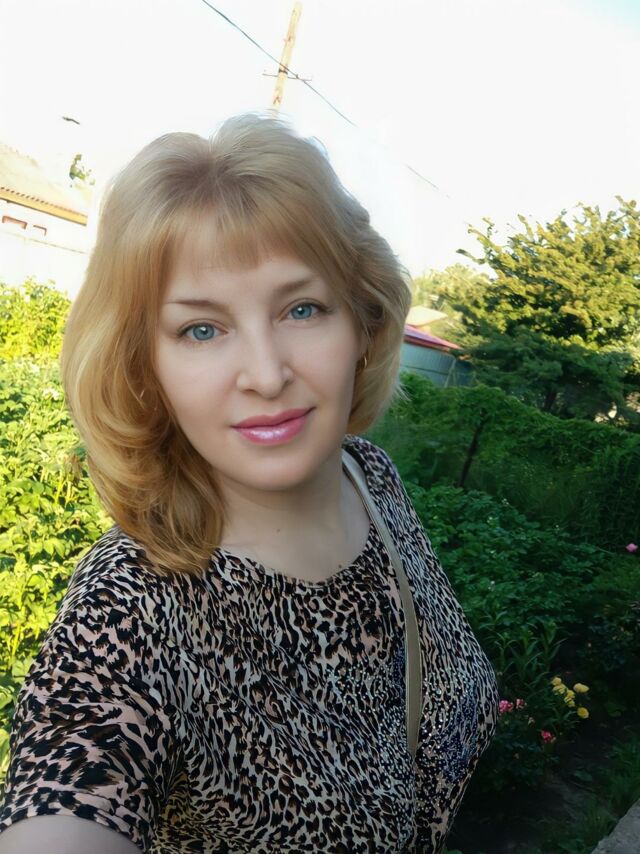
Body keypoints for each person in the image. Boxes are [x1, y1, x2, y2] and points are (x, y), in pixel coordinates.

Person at [0, 111, 499, 853]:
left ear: (362, 324)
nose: (266, 375)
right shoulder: (131, 606)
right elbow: (69, 786)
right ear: (145, 365)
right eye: (201, 329)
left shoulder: (369, 478)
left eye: (302, 309)